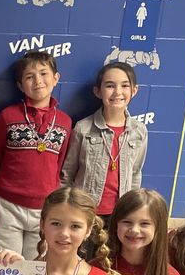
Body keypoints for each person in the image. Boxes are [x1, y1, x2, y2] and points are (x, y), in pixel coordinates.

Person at [0, 50, 73, 260]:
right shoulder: (7, 116)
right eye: (29, 76)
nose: (38, 81)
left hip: (45, 208)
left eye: (44, 73)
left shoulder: (65, 122)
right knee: (3, 263)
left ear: (56, 78)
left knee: (37, 267)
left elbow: (60, 163)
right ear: (20, 85)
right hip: (7, 205)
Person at [61, 62, 148, 225]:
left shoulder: (139, 131)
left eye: (125, 85)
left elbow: (136, 172)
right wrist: (68, 209)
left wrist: (133, 208)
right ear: (98, 91)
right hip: (85, 212)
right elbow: (67, 173)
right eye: (110, 86)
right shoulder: (83, 128)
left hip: (120, 214)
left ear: (134, 90)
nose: (118, 92)